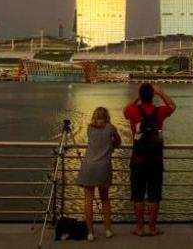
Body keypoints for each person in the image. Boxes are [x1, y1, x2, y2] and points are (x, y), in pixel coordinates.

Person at [123, 83, 176, 236]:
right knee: (154, 196)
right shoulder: (159, 111)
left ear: (140, 95)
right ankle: (152, 228)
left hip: (138, 159)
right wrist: (162, 93)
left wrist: (136, 98)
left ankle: (139, 228)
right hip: (155, 160)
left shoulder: (133, 110)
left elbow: (124, 111)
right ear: (153, 96)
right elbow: (173, 105)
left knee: (138, 196)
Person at [75, 107, 122, 241]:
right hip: (104, 167)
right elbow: (118, 141)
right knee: (105, 199)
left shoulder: (89, 129)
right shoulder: (111, 128)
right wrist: (110, 147)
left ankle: (90, 233)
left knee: (88, 200)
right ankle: (107, 230)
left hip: (88, 166)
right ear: (107, 116)